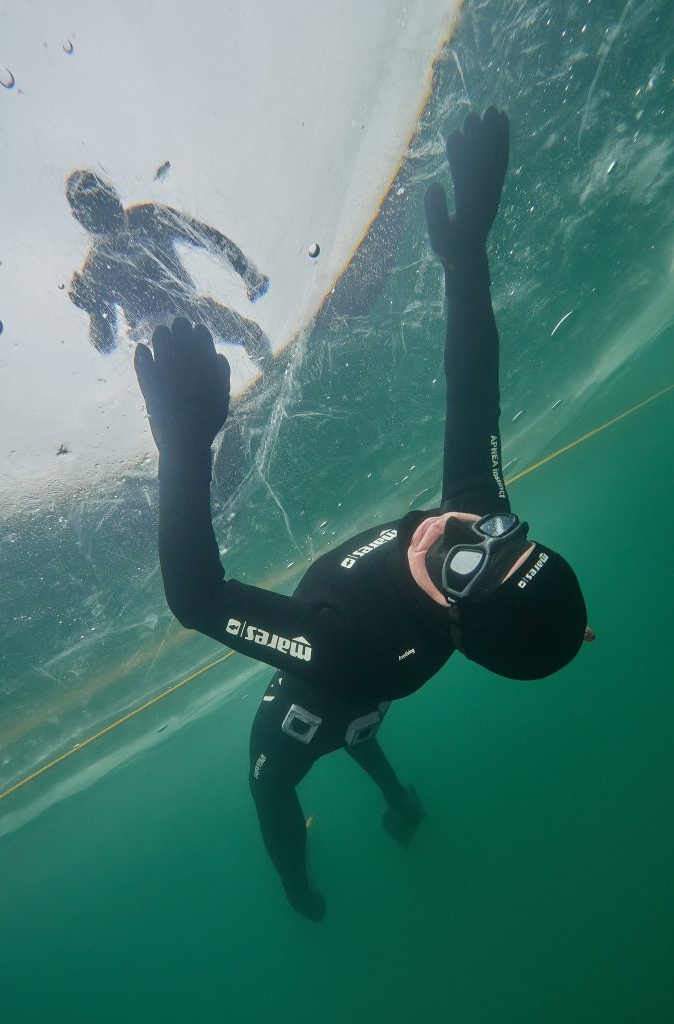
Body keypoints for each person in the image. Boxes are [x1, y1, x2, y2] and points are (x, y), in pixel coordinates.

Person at [134, 108, 592, 923]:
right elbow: (473, 387)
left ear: (458, 621)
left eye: (466, 566)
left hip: (332, 689)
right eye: (505, 536)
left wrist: (184, 450)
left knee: (274, 783)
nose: (461, 532)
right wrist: (465, 254)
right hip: (378, 686)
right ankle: (401, 802)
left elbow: (198, 601)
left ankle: (298, 892)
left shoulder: (334, 641)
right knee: (366, 730)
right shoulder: (474, 525)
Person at [66, 169, 271, 363]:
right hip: (152, 333)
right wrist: (95, 308)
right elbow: (106, 345)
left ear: (114, 195)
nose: (115, 229)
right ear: (85, 223)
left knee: (252, 335)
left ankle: (269, 369)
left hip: (189, 307)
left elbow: (207, 237)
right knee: (164, 329)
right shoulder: (97, 268)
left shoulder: (150, 217)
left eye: (108, 208)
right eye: (101, 220)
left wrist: (247, 272)